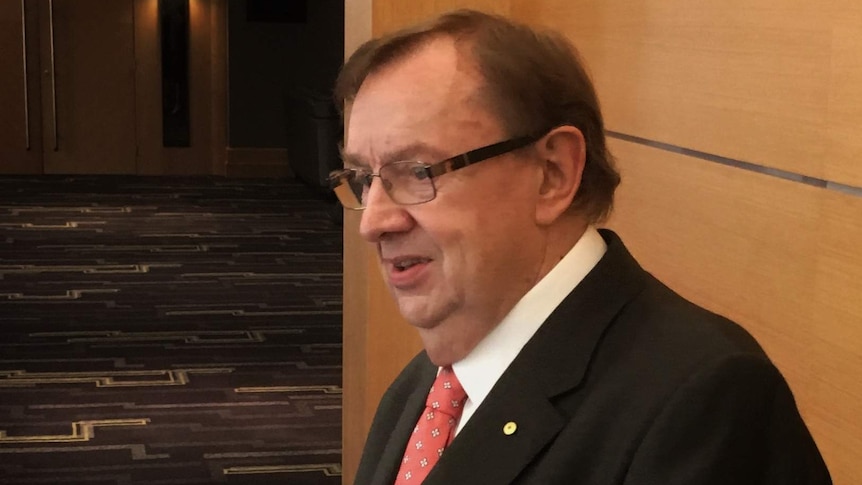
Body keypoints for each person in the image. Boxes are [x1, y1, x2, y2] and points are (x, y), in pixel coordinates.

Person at [330, 9, 832, 485]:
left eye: (417, 172)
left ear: (553, 173)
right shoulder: (428, 383)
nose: (373, 221)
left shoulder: (703, 402)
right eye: (361, 179)